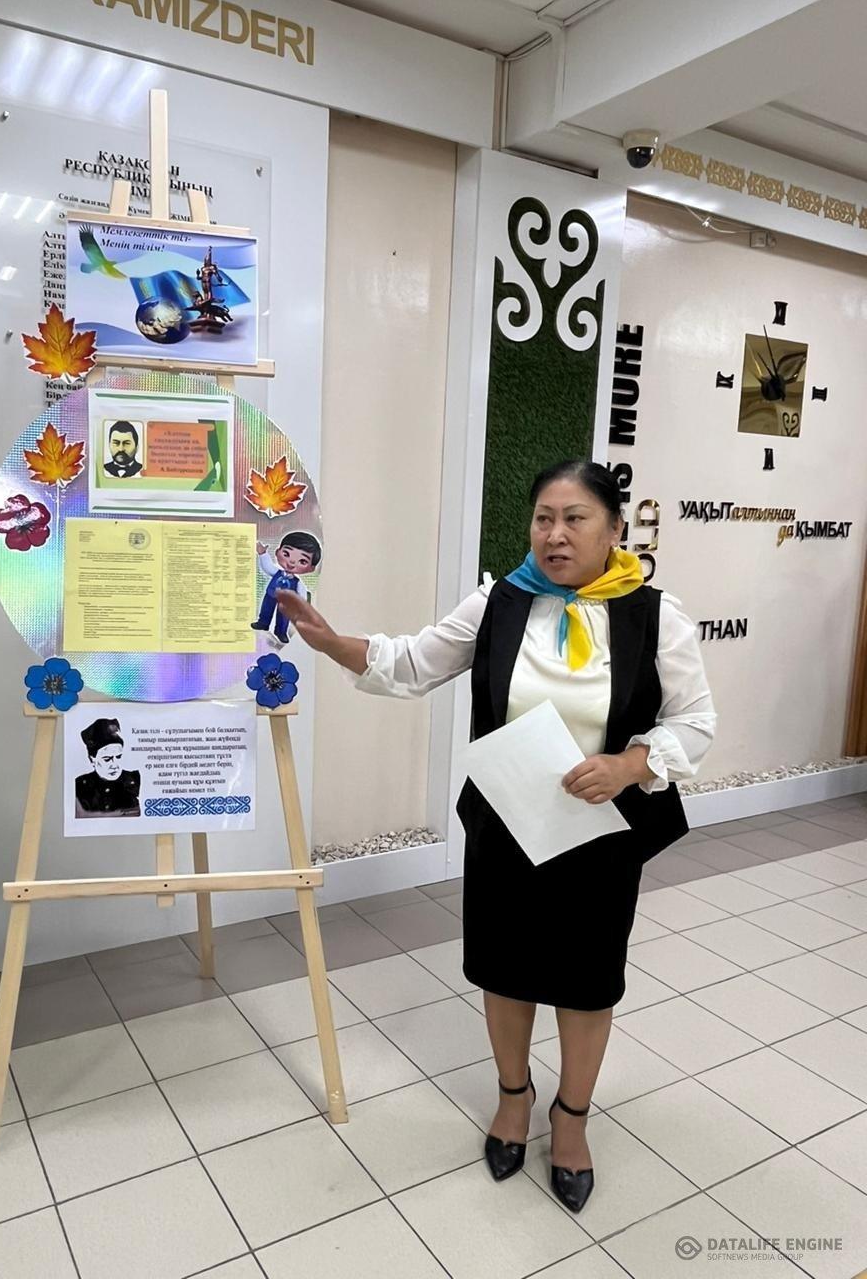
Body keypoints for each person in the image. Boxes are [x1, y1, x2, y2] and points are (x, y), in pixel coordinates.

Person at [277, 460, 715, 1214]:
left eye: (575, 519)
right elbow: (413, 663)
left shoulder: (655, 614)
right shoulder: (499, 601)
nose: (555, 534)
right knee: (505, 970)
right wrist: (333, 642)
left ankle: (571, 1118)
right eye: (544, 518)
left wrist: (630, 764)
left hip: (601, 831)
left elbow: (695, 719)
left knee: (587, 981)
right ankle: (514, 1098)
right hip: (507, 822)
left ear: (615, 530)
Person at [252, 531, 322, 645]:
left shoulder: (298, 583)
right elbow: (267, 567)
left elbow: (302, 595)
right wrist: (263, 554)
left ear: (311, 568)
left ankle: (281, 632)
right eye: (286, 554)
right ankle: (263, 623)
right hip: (271, 595)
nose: (292, 562)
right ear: (277, 552)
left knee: (284, 616)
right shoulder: (276, 572)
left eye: (302, 561)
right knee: (266, 609)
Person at [75, 718, 141, 817]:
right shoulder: (80, 785)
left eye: (118, 757)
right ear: (92, 759)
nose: (114, 764)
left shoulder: (135, 779)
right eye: (107, 759)